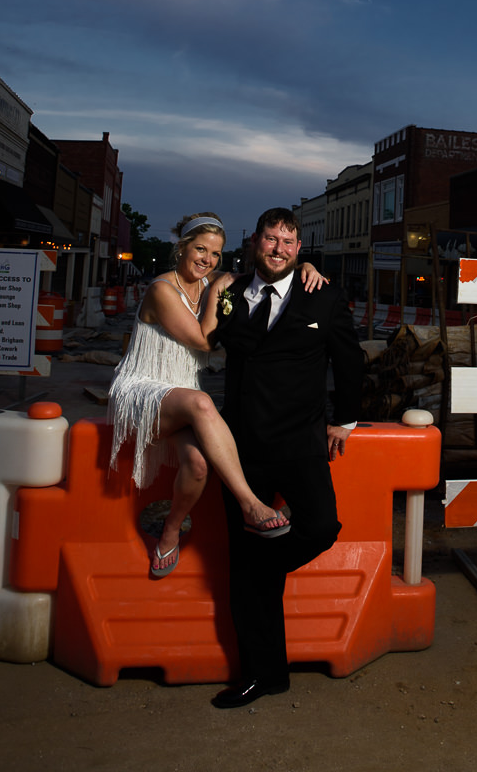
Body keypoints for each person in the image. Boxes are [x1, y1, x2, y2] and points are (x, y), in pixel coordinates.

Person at [202, 206, 365, 709]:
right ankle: (264, 675)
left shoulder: (324, 293)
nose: (278, 248)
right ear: (256, 243)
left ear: (300, 249)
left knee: (320, 526)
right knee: (242, 558)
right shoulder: (230, 296)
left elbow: (350, 359)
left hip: (300, 443)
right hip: (242, 446)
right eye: (270, 239)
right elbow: (199, 339)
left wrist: (348, 418)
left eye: (288, 241)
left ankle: (260, 570)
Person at [108, 211, 325, 578]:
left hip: (183, 397)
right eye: (200, 249)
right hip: (143, 390)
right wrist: (217, 295)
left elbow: (269, 269)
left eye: (215, 254)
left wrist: (304, 267)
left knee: (199, 465)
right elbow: (204, 342)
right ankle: (251, 505)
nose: (207, 259)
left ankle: (171, 531)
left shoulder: (213, 283)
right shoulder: (162, 289)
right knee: (204, 402)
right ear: (181, 248)